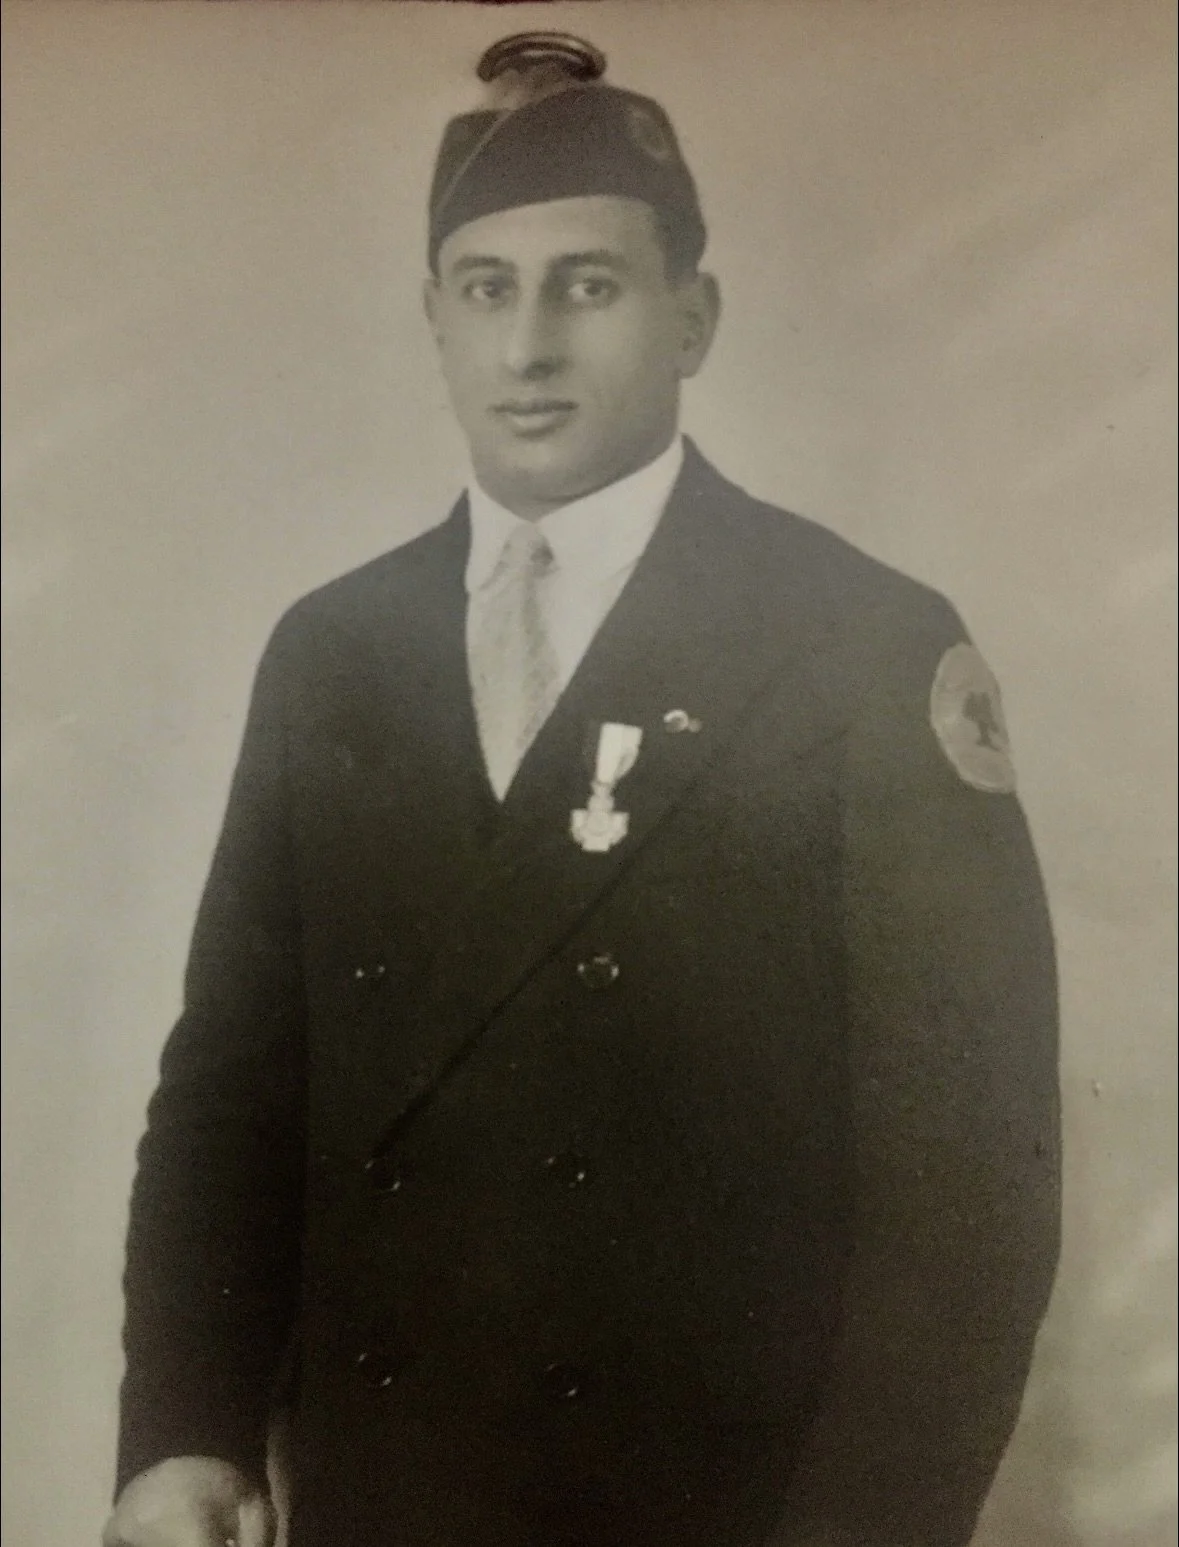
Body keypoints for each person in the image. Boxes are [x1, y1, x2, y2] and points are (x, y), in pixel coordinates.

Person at [104, 33, 1061, 1547]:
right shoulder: (335, 649)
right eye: (487, 290)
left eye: (589, 285)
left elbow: (969, 1188)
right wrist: (181, 1432)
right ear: (434, 320)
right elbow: (232, 1084)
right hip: (377, 1497)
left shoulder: (859, 641)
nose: (530, 346)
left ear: (694, 317)